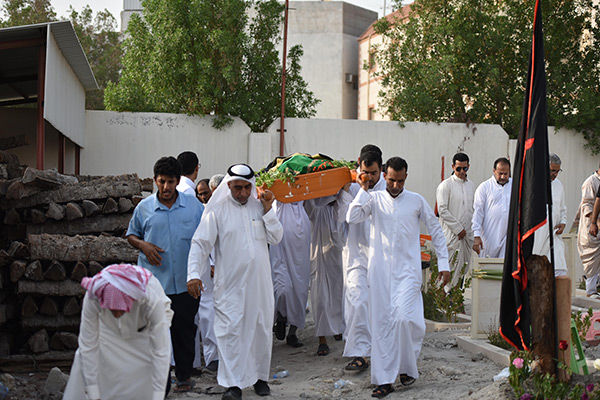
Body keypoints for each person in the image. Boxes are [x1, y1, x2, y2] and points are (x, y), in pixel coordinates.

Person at [347, 156, 450, 398]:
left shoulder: (416, 200)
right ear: (384, 176)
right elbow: (352, 217)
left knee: (405, 320)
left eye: (400, 181)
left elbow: (435, 229)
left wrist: (444, 264)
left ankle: (406, 367)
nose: (395, 185)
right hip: (380, 274)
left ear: (406, 177)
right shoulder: (373, 199)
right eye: (392, 180)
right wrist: (363, 189)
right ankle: (384, 380)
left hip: (408, 273)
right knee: (382, 327)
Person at [187, 164, 283, 400]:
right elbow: (200, 244)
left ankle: (260, 378)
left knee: (260, 329)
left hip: (259, 284)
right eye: (237, 188)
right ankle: (232, 385)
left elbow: (276, 237)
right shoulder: (217, 210)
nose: (242, 193)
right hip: (229, 285)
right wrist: (193, 275)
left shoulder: (260, 206)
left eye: (246, 188)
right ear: (228, 185)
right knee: (230, 332)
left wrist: (268, 211)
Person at [126, 156, 204, 392]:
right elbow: (131, 235)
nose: (166, 187)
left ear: (178, 181)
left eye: (171, 182)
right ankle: (161, 384)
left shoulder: (194, 207)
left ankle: (184, 377)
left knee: (185, 331)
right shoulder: (144, 208)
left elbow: (206, 236)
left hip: (186, 283)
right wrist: (143, 245)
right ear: (155, 180)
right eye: (162, 181)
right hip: (155, 285)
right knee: (157, 335)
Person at [63, 264, 173, 400]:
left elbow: (161, 351)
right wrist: (93, 393)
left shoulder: (150, 299)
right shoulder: (94, 296)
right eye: (112, 309)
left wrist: (158, 396)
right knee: (82, 357)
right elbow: (88, 344)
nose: (116, 314)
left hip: (144, 332)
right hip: (108, 331)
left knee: (147, 372)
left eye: (119, 309)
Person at [342, 148, 386, 371]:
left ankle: (378, 350)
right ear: (359, 164)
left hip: (382, 259)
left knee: (379, 307)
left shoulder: (389, 189)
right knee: (358, 302)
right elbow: (349, 217)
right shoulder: (350, 187)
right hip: (356, 255)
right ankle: (359, 353)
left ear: (381, 169)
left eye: (374, 173)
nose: (369, 177)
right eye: (365, 172)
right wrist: (362, 190)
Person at [304, 184, 351, 357]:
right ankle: (322, 338)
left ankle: (338, 328)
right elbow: (308, 202)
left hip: (340, 258)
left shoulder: (343, 207)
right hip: (320, 258)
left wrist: (342, 192)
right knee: (320, 298)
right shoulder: (316, 209)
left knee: (340, 295)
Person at [270, 200, 311, 347]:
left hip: (301, 246)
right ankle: (281, 317)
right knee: (282, 289)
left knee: (300, 291)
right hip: (280, 248)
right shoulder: (278, 202)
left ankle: (292, 333)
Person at [436, 152, 475, 287]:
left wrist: (470, 232)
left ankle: (456, 297)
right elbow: (442, 210)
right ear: (453, 167)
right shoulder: (445, 186)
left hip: (466, 237)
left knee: (463, 271)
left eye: (465, 168)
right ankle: (443, 298)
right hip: (451, 236)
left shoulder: (470, 185)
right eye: (458, 168)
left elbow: (472, 210)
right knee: (447, 272)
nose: (462, 171)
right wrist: (458, 229)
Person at [532, 153, 568, 276]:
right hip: (538, 237)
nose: (555, 174)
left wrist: (563, 222)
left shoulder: (558, 185)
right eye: (553, 170)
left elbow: (562, 208)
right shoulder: (533, 184)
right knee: (538, 272)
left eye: (558, 171)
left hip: (554, 234)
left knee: (560, 271)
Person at [472, 157, 512, 258]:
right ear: (494, 171)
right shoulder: (484, 187)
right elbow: (478, 212)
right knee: (487, 265)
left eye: (506, 174)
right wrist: (476, 235)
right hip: (488, 239)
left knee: (505, 265)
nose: (503, 177)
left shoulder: (515, 185)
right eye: (500, 173)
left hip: (507, 238)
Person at [576, 165, 600, 297]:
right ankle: (591, 291)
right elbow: (586, 205)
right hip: (591, 228)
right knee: (591, 260)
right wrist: (595, 222)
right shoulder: (590, 182)